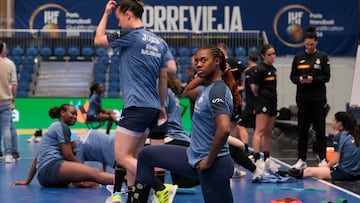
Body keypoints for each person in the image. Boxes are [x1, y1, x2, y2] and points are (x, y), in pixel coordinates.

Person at [128, 45, 234, 203]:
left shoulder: (217, 91)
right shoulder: (206, 88)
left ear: (217, 61)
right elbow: (187, 91)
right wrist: (208, 74)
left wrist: (209, 160)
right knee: (146, 155)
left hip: (213, 165)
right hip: (193, 157)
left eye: (204, 60)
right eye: (197, 61)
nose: (198, 64)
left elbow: (224, 129)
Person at [94, 1, 169, 202]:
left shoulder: (130, 35)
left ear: (127, 14)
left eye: (119, 18)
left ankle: (161, 189)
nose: (118, 23)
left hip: (136, 106)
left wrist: (106, 13)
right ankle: (133, 198)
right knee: (133, 158)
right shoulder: (159, 42)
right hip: (153, 107)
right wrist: (161, 105)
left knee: (122, 157)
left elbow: (98, 40)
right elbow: (164, 78)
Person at [10, 104, 114, 187]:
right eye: (72, 114)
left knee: (87, 171)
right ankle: (124, 180)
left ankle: (81, 180)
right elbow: (68, 155)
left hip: (44, 177)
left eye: (76, 115)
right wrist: (84, 168)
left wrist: (27, 181)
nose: (75, 117)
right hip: (51, 169)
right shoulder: (62, 127)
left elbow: (38, 157)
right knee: (94, 172)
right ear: (62, 113)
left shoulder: (53, 127)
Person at [290, 27, 331, 169]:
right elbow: (292, 77)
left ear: (316, 42)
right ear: (304, 43)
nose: (309, 47)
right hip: (303, 99)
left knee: (320, 130)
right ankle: (301, 159)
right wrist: (300, 79)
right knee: (302, 130)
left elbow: (327, 77)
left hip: (318, 99)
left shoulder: (323, 57)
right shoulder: (298, 58)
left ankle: (323, 158)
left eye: (311, 44)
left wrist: (313, 79)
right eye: (307, 44)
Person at [284, 111, 360, 181]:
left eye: (334, 121)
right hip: (357, 173)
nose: (332, 123)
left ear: (339, 123)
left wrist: (325, 166)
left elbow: (335, 160)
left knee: (309, 171)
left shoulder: (340, 136)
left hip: (345, 173)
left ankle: (284, 174)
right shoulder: (356, 135)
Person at [250, 44, 279, 178]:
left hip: (273, 102)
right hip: (263, 102)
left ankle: (267, 157)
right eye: (269, 54)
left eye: (273, 54)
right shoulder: (260, 69)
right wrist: (261, 99)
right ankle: (257, 158)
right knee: (259, 131)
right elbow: (254, 89)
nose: (272, 56)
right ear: (263, 56)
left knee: (268, 132)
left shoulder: (272, 69)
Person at [217, 42, 250, 153]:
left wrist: (243, 86)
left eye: (220, 51)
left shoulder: (232, 61)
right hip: (223, 96)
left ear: (225, 51)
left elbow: (246, 70)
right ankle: (233, 148)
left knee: (234, 125)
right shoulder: (217, 64)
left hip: (234, 98)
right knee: (227, 125)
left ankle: (239, 149)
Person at [0, 40, 17, 163]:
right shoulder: (9, 64)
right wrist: (13, 100)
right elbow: (14, 85)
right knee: (6, 127)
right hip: (5, 100)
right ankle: (8, 154)